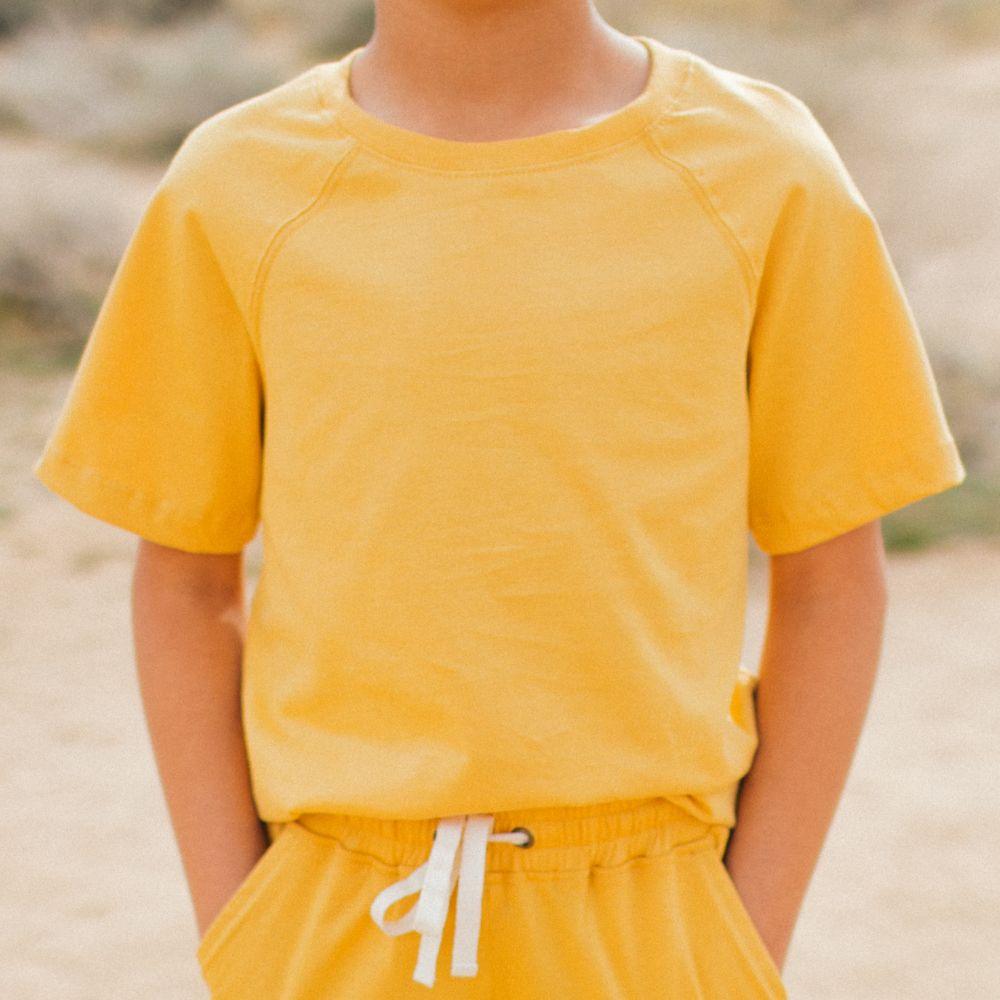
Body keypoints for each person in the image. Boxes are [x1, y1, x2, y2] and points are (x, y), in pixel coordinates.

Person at [32, 3, 966, 997]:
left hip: (656, 920)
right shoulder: (236, 183)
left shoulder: (762, 169)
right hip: (332, 916)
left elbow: (830, 574)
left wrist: (745, 939)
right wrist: (242, 932)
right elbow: (183, 579)